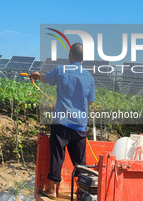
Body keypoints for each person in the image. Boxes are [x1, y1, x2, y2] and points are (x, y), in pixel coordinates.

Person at [31, 43, 95, 199]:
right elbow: (90, 101)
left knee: (57, 155)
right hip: (79, 125)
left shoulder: (61, 70)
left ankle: (53, 190)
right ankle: (83, 192)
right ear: (82, 58)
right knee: (80, 162)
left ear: (70, 55)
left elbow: (45, 78)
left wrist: (37, 76)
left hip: (61, 123)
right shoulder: (89, 77)